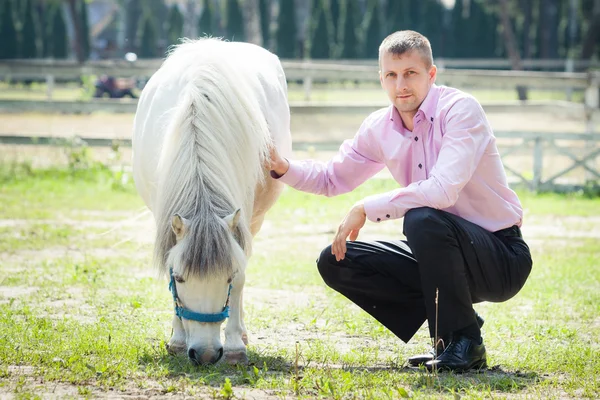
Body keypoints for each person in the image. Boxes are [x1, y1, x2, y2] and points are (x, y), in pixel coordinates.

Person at [269, 30, 533, 372]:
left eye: (410, 73)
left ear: (431, 74)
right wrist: (282, 168)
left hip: (500, 257)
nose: (400, 85)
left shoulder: (460, 110)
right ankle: (451, 333)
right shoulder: (379, 127)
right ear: (381, 78)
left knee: (422, 219)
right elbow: (332, 177)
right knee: (335, 261)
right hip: (439, 252)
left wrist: (366, 207)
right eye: (391, 75)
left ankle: (466, 340)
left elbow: (442, 191)